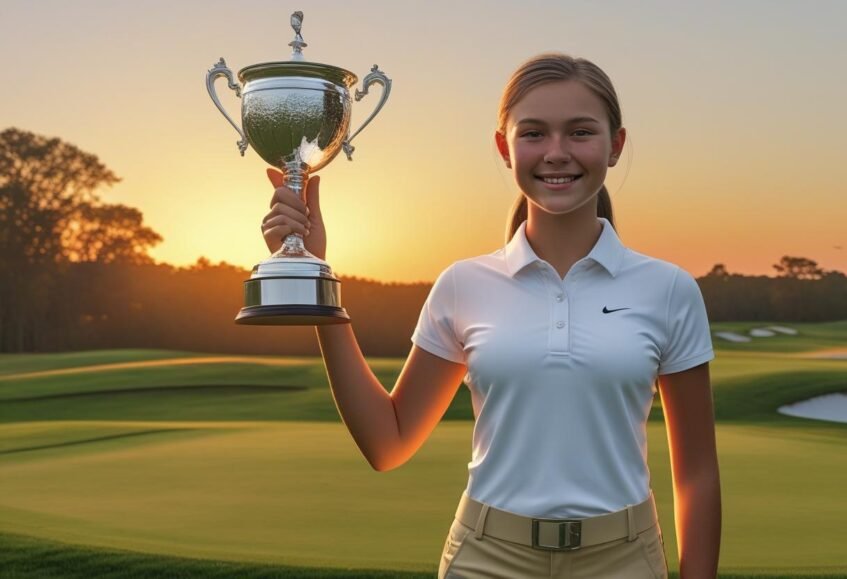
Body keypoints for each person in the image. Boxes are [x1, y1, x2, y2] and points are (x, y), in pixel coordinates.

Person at [261, 53, 721, 579]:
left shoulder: (668, 289)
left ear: (614, 146)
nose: (556, 153)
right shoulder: (463, 284)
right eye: (533, 134)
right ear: (504, 147)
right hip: (487, 558)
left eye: (580, 133)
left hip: (624, 558)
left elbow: (697, 475)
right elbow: (387, 443)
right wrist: (315, 278)